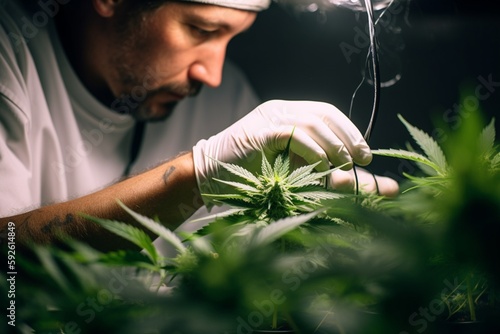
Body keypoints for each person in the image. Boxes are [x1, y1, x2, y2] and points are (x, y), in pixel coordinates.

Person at [0, 0, 398, 252]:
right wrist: (198, 172)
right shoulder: (13, 57)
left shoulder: (226, 99)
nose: (212, 74)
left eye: (231, 38)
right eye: (203, 30)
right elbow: (9, 252)